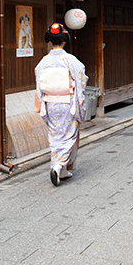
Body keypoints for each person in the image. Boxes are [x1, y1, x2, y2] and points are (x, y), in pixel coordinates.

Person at [34, 23, 88, 186]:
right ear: (64, 41)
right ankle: (57, 167)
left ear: (50, 41)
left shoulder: (43, 62)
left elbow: (39, 84)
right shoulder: (70, 60)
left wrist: (41, 104)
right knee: (68, 134)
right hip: (67, 103)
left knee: (56, 134)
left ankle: (62, 170)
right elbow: (81, 79)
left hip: (50, 103)